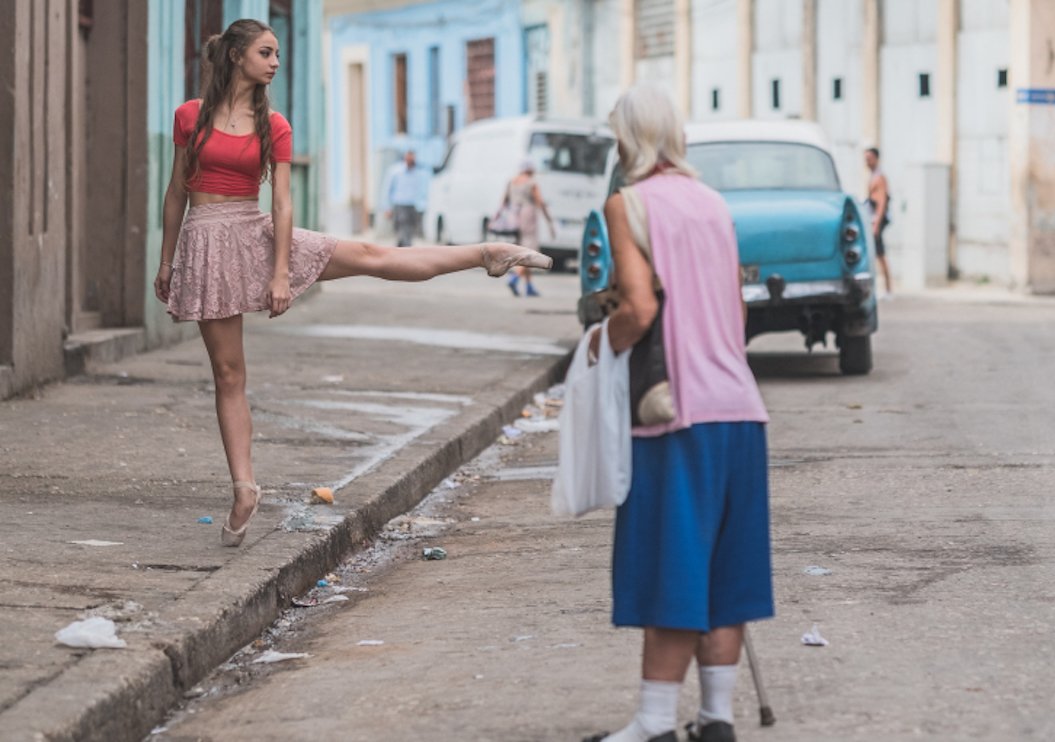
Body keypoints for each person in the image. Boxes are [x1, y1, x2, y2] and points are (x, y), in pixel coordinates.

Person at [154, 19, 548, 548]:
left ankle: (487, 253)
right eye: (266, 53)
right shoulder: (190, 117)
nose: (275, 62)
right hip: (204, 244)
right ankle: (245, 488)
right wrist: (166, 261)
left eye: (277, 54)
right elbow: (177, 192)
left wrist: (279, 274)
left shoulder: (274, 124)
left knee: (370, 254)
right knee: (228, 374)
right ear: (234, 56)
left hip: (256, 233)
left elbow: (284, 203)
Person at [582, 84, 773, 742]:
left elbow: (637, 309)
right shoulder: (714, 204)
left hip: (675, 412)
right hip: (740, 407)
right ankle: (716, 719)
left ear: (626, 141)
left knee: (673, 565)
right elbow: (738, 314)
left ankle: (654, 724)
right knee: (725, 570)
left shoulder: (626, 204)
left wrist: (594, 348)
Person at [497, 158, 555, 297]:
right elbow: (540, 202)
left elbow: (504, 201)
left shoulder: (512, 181)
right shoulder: (531, 182)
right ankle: (514, 278)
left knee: (520, 251)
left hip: (513, 218)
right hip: (528, 217)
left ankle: (529, 287)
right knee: (529, 252)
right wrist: (549, 221)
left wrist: (498, 218)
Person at [864, 146, 893, 296]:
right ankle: (883, 288)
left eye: (869, 159)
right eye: (865, 159)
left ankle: (888, 289)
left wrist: (876, 224)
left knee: (880, 255)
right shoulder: (873, 176)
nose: (866, 162)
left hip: (877, 220)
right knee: (876, 254)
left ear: (876, 159)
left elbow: (881, 202)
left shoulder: (879, 178)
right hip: (874, 219)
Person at [383, 149, 425, 247]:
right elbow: (387, 190)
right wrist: (387, 208)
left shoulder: (417, 173)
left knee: (409, 231)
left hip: (412, 206)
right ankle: (405, 250)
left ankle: (402, 249)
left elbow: (420, 190)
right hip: (399, 206)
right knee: (403, 231)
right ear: (405, 158)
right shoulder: (395, 171)